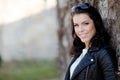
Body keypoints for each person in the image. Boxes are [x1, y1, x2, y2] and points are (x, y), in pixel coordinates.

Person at [64, 3, 118, 80]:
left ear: (96, 24)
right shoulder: (79, 53)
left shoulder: (104, 53)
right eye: (76, 25)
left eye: (86, 23)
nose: (80, 30)